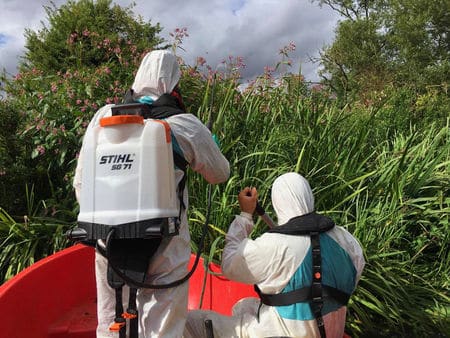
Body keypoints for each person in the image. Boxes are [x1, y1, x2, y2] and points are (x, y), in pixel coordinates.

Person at [73, 50, 230, 338]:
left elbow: (81, 182)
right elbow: (220, 174)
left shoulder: (103, 118)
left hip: (108, 239)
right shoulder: (185, 125)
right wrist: (209, 143)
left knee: (110, 319)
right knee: (162, 327)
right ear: (173, 85)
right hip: (165, 242)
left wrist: (107, 223)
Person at [184, 172, 365, 338]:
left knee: (191, 322)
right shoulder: (347, 241)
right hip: (329, 332)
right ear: (309, 197)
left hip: (282, 334)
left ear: (278, 203)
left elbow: (230, 264)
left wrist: (245, 215)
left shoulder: (277, 246)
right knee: (244, 306)